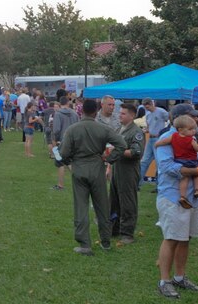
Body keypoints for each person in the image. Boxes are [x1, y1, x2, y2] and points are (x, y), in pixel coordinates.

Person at [59, 98, 126, 255]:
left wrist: (70, 161)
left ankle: (84, 244)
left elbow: (64, 153)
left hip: (79, 168)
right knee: (102, 206)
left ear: (82, 111)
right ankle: (106, 241)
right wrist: (109, 158)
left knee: (81, 207)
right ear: (96, 111)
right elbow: (122, 144)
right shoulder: (102, 128)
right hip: (97, 168)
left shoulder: (73, 129)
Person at [155, 103, 198, 299]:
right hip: (173, 197)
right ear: (178, 120)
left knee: (186, 237)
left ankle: (179, 277)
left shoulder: (192, 138)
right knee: (172, 237)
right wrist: (195, 171)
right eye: (191, 117)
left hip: (192, 196)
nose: (196, 120)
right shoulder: (167, 139)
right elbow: (167, 166)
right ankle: (164, 281)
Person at [109, 103, 144, 243]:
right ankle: (114, 228)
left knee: (127, 202)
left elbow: (136, 152)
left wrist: (118, 152)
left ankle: (127, 233)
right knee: (114, 200)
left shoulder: (135, 132)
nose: (119, 115)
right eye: (120, 113)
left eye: (123, 113)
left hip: (128, 171)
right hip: (117, 169)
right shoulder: (120, 129)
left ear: (132, 115)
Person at [155, 115, 198, 206]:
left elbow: (164, 142)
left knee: (184, 178)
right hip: (191, 162)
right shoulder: (191, 139)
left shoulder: (173, 136)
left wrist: (157, 144)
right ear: (181, 129)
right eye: (191, 128)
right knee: (196, 175)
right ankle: (197, 190)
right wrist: (197, 146)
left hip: (180, 161)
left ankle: (182, 196)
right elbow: (197, 149)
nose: (194, 130)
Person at [139, 98, 170, 189]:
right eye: (145, 106)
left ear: (151, 104)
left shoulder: (161, 111)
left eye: (147, 105)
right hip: (151, 139)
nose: (146, 107)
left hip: (158, 139)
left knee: (158, 162)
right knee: (144, 161)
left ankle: (159, 185)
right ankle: (138, 184)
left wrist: (164, 132)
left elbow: (170, 120)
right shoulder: (148, 114)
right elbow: (149, 126)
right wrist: (145, 130)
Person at [50, 96, 80, 191]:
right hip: (73, 141)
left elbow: (56, 130)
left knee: (60, 162)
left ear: (60, 103)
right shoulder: (75, 114)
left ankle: (60, 185)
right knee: (69, 161)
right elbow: (78, 126)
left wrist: (55, 140)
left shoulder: (58, 114)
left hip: (61, 141)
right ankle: (80, 181)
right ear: (68, 102)